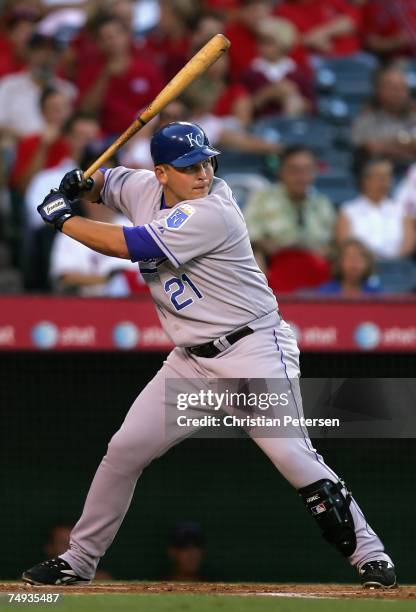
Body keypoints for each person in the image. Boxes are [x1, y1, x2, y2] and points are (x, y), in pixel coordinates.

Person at [22, 121, 396, 589]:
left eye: (205, 162)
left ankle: (370, 555)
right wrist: (85, 181)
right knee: (124, 451)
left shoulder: (213, 210)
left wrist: (65, 218)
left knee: (295, 459)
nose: (202, 173)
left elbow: (128, 244)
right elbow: (111, 179)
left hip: (252, 353)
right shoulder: (144, 186)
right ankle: (78, 561)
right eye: (188, 166)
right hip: (192, 363)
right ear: (161, 173)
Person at [244, 146, 335, 273]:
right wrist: (268, 246)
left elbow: (332, 243)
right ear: (281, 171)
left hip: (316, 266)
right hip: (273, 264)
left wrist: (325, 251)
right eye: (295, 170)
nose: (301, 176)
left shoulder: (322, 203)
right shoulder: (262, 198)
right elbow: (249, 234)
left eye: (308, 169)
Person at [336, 157, 415, 259]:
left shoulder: (402, 211)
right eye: (380, 177)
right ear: (365, 180)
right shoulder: (348, 210)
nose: (385, 182)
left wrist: (392, 263)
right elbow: (344, 243)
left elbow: (408, 245)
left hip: (395, 268)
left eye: (388, 177)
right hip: (360, 269)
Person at [241, 17, 313, 118]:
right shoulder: (250, 73)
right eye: (260, 41)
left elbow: (311, 105)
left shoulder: (297, 73)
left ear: (283, 45)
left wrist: (294, 97)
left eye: (269, 42)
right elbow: (244, 107)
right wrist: (268, 94)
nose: (262, 46)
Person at [352, 66, 416, 170]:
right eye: (393, 88)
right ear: (379, 90)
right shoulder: (366, 120)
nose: (398, 93)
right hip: (376, 178)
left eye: (403, 88)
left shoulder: (414, 118)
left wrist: (386, 145)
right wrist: (406, 144)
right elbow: (369, 148)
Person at [317, 239, 381, 296]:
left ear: (367, 263)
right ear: (339, 262)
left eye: (358, 258)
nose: (354, 263)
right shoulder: (324, 293)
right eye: (349, 258)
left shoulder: (376, 294)